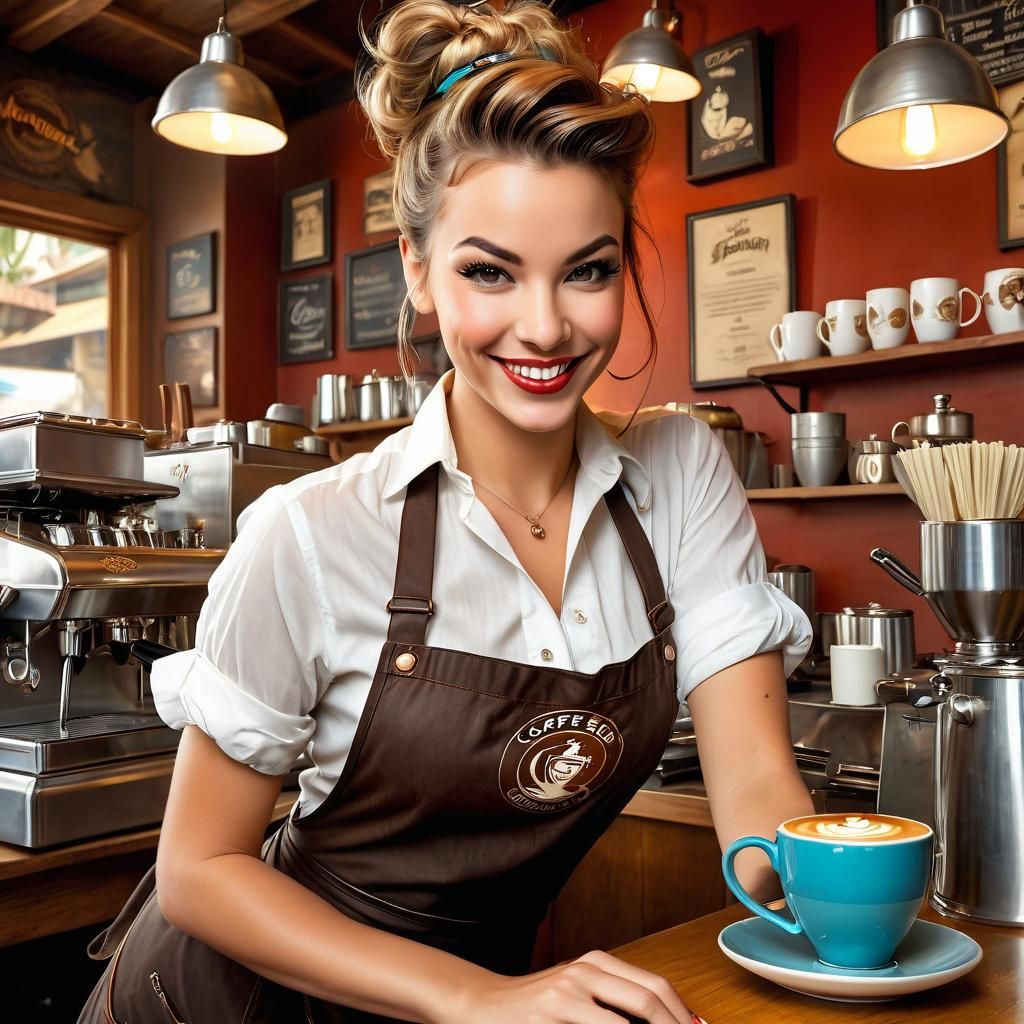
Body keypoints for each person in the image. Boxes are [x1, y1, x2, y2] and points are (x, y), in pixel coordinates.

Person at [78, 2, 812, 1021]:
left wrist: (831, 900)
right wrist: (477, 999)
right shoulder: (308, 530)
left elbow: (758, 790)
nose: (545, 325)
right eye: (488, 272)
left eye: (588, 271)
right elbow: (199, 868)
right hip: (224, 1001)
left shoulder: (678, 473)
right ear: (417, 272)